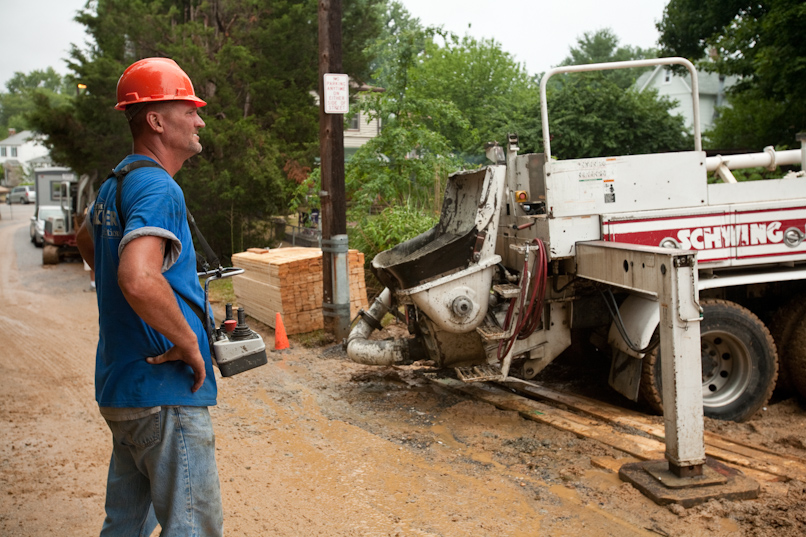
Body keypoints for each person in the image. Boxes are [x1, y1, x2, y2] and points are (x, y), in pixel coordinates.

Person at [76, 57, 223, 536]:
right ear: (157, 120)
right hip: (166, 397)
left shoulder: (116, 184)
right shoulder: (158, 187)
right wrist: (187, 341)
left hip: (123, 390)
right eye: (188, 110)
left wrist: (127, 302)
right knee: (192, 527)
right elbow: (138, 278)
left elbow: (85, 239)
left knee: (124, 527)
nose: (199, 120)